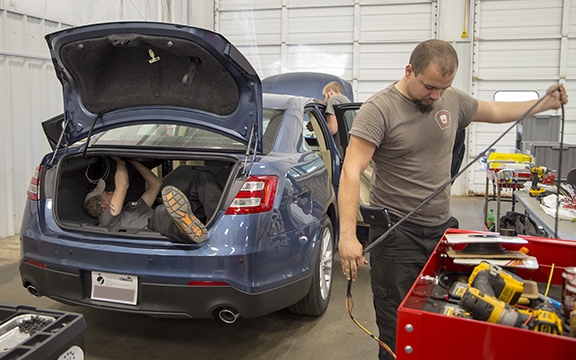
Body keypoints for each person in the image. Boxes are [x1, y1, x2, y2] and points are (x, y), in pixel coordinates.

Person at [337, 39, 568, 360]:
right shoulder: (379, 109)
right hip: (396, 238)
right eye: (430, 86)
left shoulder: (451, 100)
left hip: (442, 231)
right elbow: (351, 171)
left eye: (443, 88)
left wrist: (543, 103)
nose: (436, 95)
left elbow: (496, 109)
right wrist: (347, 236)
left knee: (445, 314)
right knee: (397, 323)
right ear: (409, 71)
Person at [83, 157, 209, 243]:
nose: (111, 191)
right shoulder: (106, 220)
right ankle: (185, 228)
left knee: (202, 178)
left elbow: (156, 184)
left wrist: (133, 161)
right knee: (161, 210)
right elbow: (122, 184)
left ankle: (216, 220)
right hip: (158, 226)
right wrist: (120, 161)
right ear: (104, 205)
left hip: (172, 219)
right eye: (106, 193)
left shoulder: (131, 207)